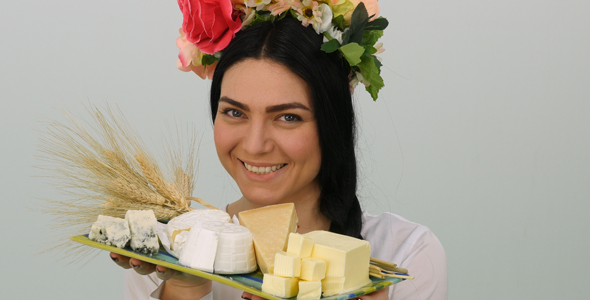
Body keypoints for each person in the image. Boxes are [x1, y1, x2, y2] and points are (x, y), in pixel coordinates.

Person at [110, 2, 447, 299]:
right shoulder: (165, 255)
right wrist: (183, 291)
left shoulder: (407, 254)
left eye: (288, 117)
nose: (255, 144)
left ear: (333, 125)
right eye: (235, 112)